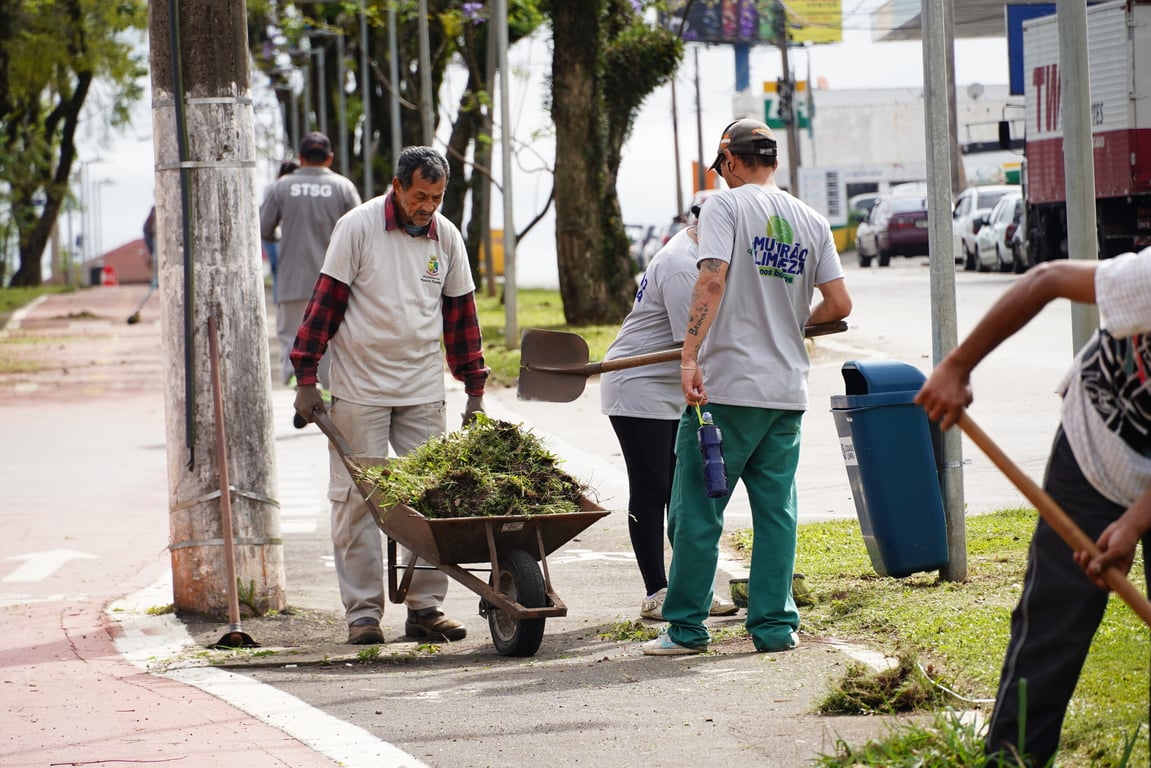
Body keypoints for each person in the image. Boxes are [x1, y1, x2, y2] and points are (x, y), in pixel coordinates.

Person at [915, 248, 1151, 766]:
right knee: (1054, 622)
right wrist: (958, 365)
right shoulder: (1147, 278)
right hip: (1097, 446)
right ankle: (1012, 759)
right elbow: (1045, 279)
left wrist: (1135, 522)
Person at [642, 118, 852, 656]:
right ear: (773, 160)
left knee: (696, 509)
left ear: (731, 161)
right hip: (786, 392)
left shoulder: (724, 205)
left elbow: (711, 277)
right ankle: (775, 628)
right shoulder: (811, 219)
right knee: (776, 512)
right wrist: (788, 323)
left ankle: (687, 629)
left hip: (729, 389)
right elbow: (838, 307)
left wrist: (689, 355)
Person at [291, 146, 489, 646]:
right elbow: (325, 307)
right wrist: (306, 378)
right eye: (420, 196)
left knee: (432, 497)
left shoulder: (446, 237)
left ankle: (425, 607)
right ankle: (363, 614)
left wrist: (475, 389)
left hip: (422, 388)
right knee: (357, 501)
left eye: (437, 197)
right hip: (361, 389)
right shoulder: (357, 228)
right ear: (397, 187)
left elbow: (461, 319)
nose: (428, 206)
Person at [601, 208, 737, 621]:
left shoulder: (702, 259)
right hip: (638, 387)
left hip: (673, 389)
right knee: (653, 489)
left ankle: (690, 588)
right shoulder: (682, 265)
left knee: (685, 491)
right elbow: (695, 343)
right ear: (701, 226)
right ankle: (657, 592)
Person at [260, 133, 360, 388]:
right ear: (329, 158)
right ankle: (324, 392)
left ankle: (299, 384)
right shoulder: (343, 187)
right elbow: (361, 232)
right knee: (329, 337)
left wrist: (284, 237)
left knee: (291, 336)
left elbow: (263, 229)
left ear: (301, 158)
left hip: (293, 280)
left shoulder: (280, 187)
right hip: (335, 281)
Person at [261, 159, 299, 303]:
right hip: (289, 237)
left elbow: (266, 221)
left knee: (278, 273)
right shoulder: (293, 186)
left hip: (273, 237)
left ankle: (279, 302)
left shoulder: (272, 187)